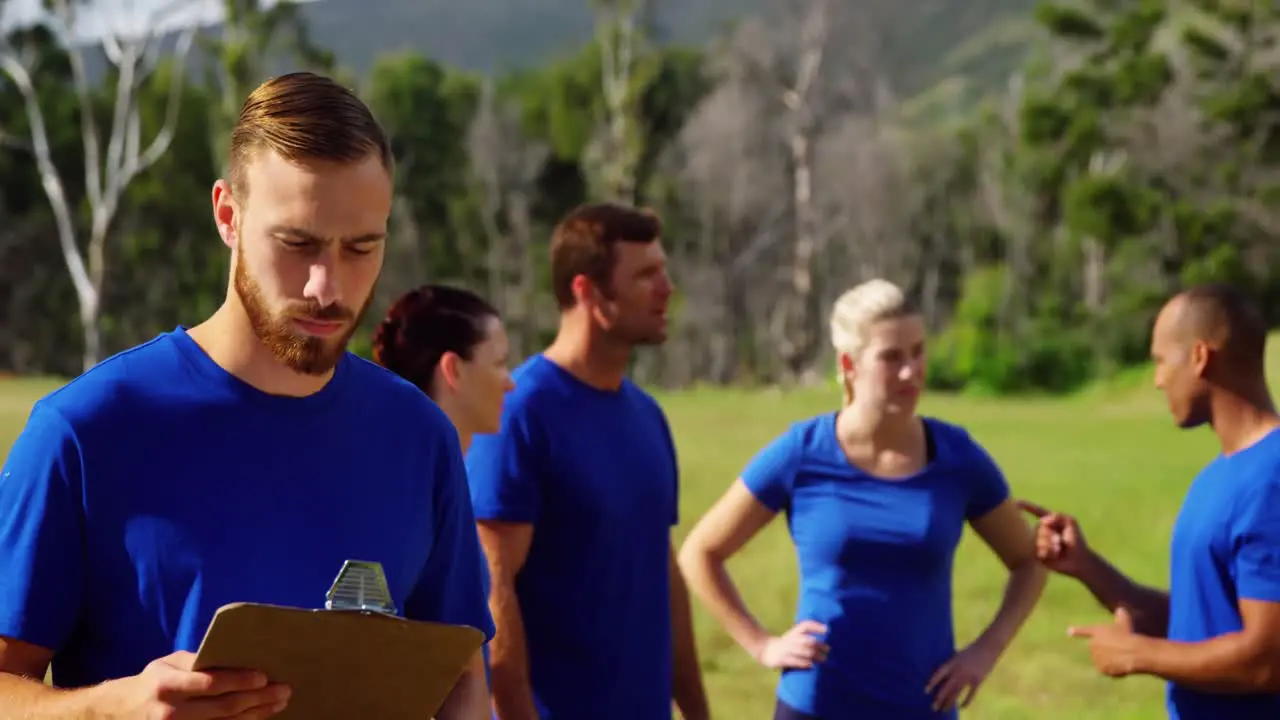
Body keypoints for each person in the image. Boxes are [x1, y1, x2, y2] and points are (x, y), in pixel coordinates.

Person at [0, 72, 494, 719]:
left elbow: (460, 679)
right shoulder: (87, 431)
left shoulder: (417, 435)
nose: (328, 286)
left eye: (361, 247)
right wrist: (113, 709)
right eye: (298, 244)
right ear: (228, 215)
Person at [677, 278, 1047, 720]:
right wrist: (762, 645)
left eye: (918, 351)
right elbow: (701, 552)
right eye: (892, 357)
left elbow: (1029, 561)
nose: (911, 371)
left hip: (922, 708)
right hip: (817, 706)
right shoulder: (802, 452)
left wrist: (985, 652)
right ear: (849, 364)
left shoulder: (957, 457)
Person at [465, 202, 710, 720]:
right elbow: (492, 586)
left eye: (663, 271)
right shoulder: (522, 411)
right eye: (646, 274)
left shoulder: (647, 415)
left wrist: (695, 708)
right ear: (588, 291)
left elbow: (661, 572)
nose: (666, 288)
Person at [1020, 283, 1280, 719]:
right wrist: (1087, 566)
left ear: (1200, 357)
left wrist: (1138, 655)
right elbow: (1198, 626)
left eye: (1161, 361)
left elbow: (1267, 660)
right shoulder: (1219, 475)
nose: (1158, 380)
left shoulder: (1270, 480)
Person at [371, 283, 516, 696]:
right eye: (500, 363)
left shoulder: (438, 478)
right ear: (453, 369)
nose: (511, 383)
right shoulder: (407, 496)